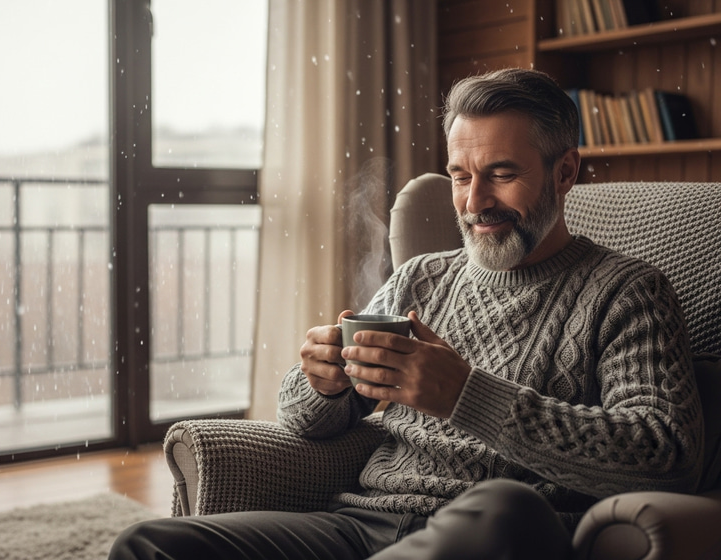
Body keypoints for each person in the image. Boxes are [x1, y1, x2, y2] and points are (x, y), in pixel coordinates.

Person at [109, 68, 704, 560]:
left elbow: (665, 456)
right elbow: (302, 420)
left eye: (502, 174)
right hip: (359, 529)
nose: (474, 203)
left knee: (505, 505)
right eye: (460, 176)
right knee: (148, 545)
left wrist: (465, 394)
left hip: (490, 535)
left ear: (565, 172)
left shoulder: (628, 293)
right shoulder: (423, 277)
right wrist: (323, 382)